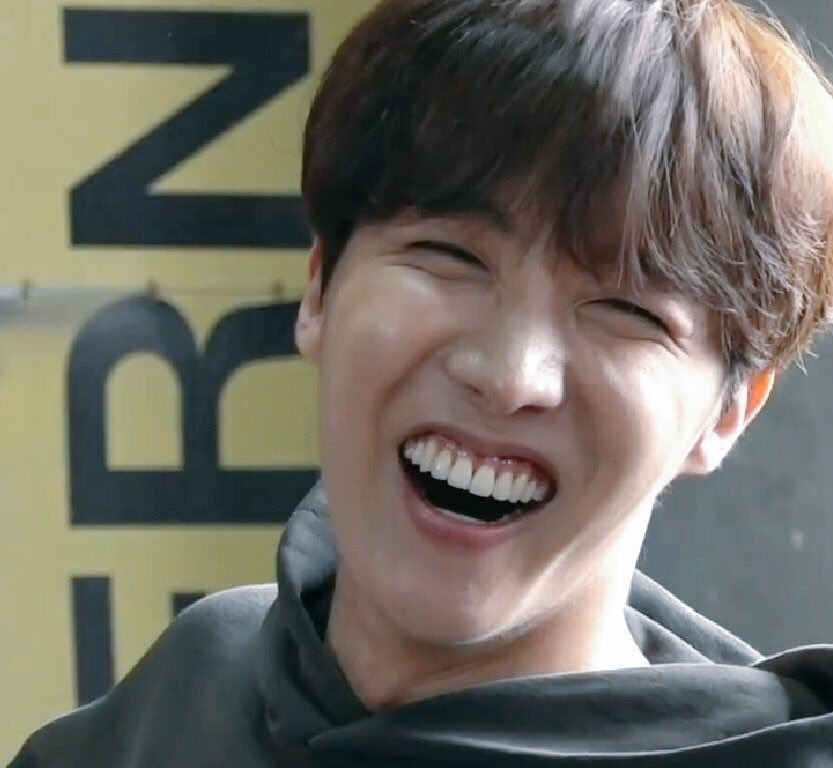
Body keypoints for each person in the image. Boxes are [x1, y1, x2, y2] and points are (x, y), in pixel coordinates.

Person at [10, 0, 833, 765]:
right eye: (449, 256)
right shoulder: (187, 696)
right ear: (319, 288)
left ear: (727, 412)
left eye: (624, 310)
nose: (509, 376)